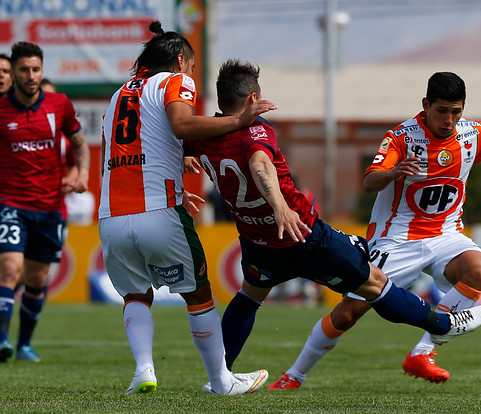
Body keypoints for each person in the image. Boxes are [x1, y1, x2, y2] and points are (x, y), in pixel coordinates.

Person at [184, 60, 481, 378]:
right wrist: (279, 205)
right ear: (252, 101)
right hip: (304, 233)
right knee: (374, 284)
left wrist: (180, 179)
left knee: (249, 296)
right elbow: (260, 162)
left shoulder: (199, 136)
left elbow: (174, 141)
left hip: (257, 240)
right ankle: (443, 324)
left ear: (219, 103)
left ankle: (220, 377)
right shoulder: (256, 130)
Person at [267, 71, 481, 390]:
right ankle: (294, 375)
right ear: (426, 105)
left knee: (478, 270)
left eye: (456, 111)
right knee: (348, 313)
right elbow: (369, 181)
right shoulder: (401, 137)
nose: (449, 120)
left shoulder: (472, 133)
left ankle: (423, 353)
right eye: (442, 111)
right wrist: (394, 171)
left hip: (445, 234)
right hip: (397, 239)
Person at [98, 21, 277, 395]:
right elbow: (180, 125)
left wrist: (175, 164)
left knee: (135, 295)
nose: (192, 75)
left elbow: (123, 152)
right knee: (198, 295)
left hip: (111, 216)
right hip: (158, 213)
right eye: (192, 67)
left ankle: (144, 371)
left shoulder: (116, 97)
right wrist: (240, 120)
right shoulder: (174, 80)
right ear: (181, 60)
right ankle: (220, 380)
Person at [0, 42, 91, 363]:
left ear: (42, 70)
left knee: (37, 280)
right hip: (11, 204)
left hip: (51, 208)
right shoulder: (1, 109)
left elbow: (81, 145)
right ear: (14, 73)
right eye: (24, 69)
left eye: (35, 69)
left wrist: (81, 173)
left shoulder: (59, 105)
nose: (30, 75)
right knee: (10, 270)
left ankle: (24, 344)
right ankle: (1, 342)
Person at [40, 78, 96, 225]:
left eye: (52, 96)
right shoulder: (21, 125)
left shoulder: (66, 134)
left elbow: (74, 162)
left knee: (86, 201)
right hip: (30, 196)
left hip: (61, 196)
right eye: (44, 96)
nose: (48, 101)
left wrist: (71, 180)